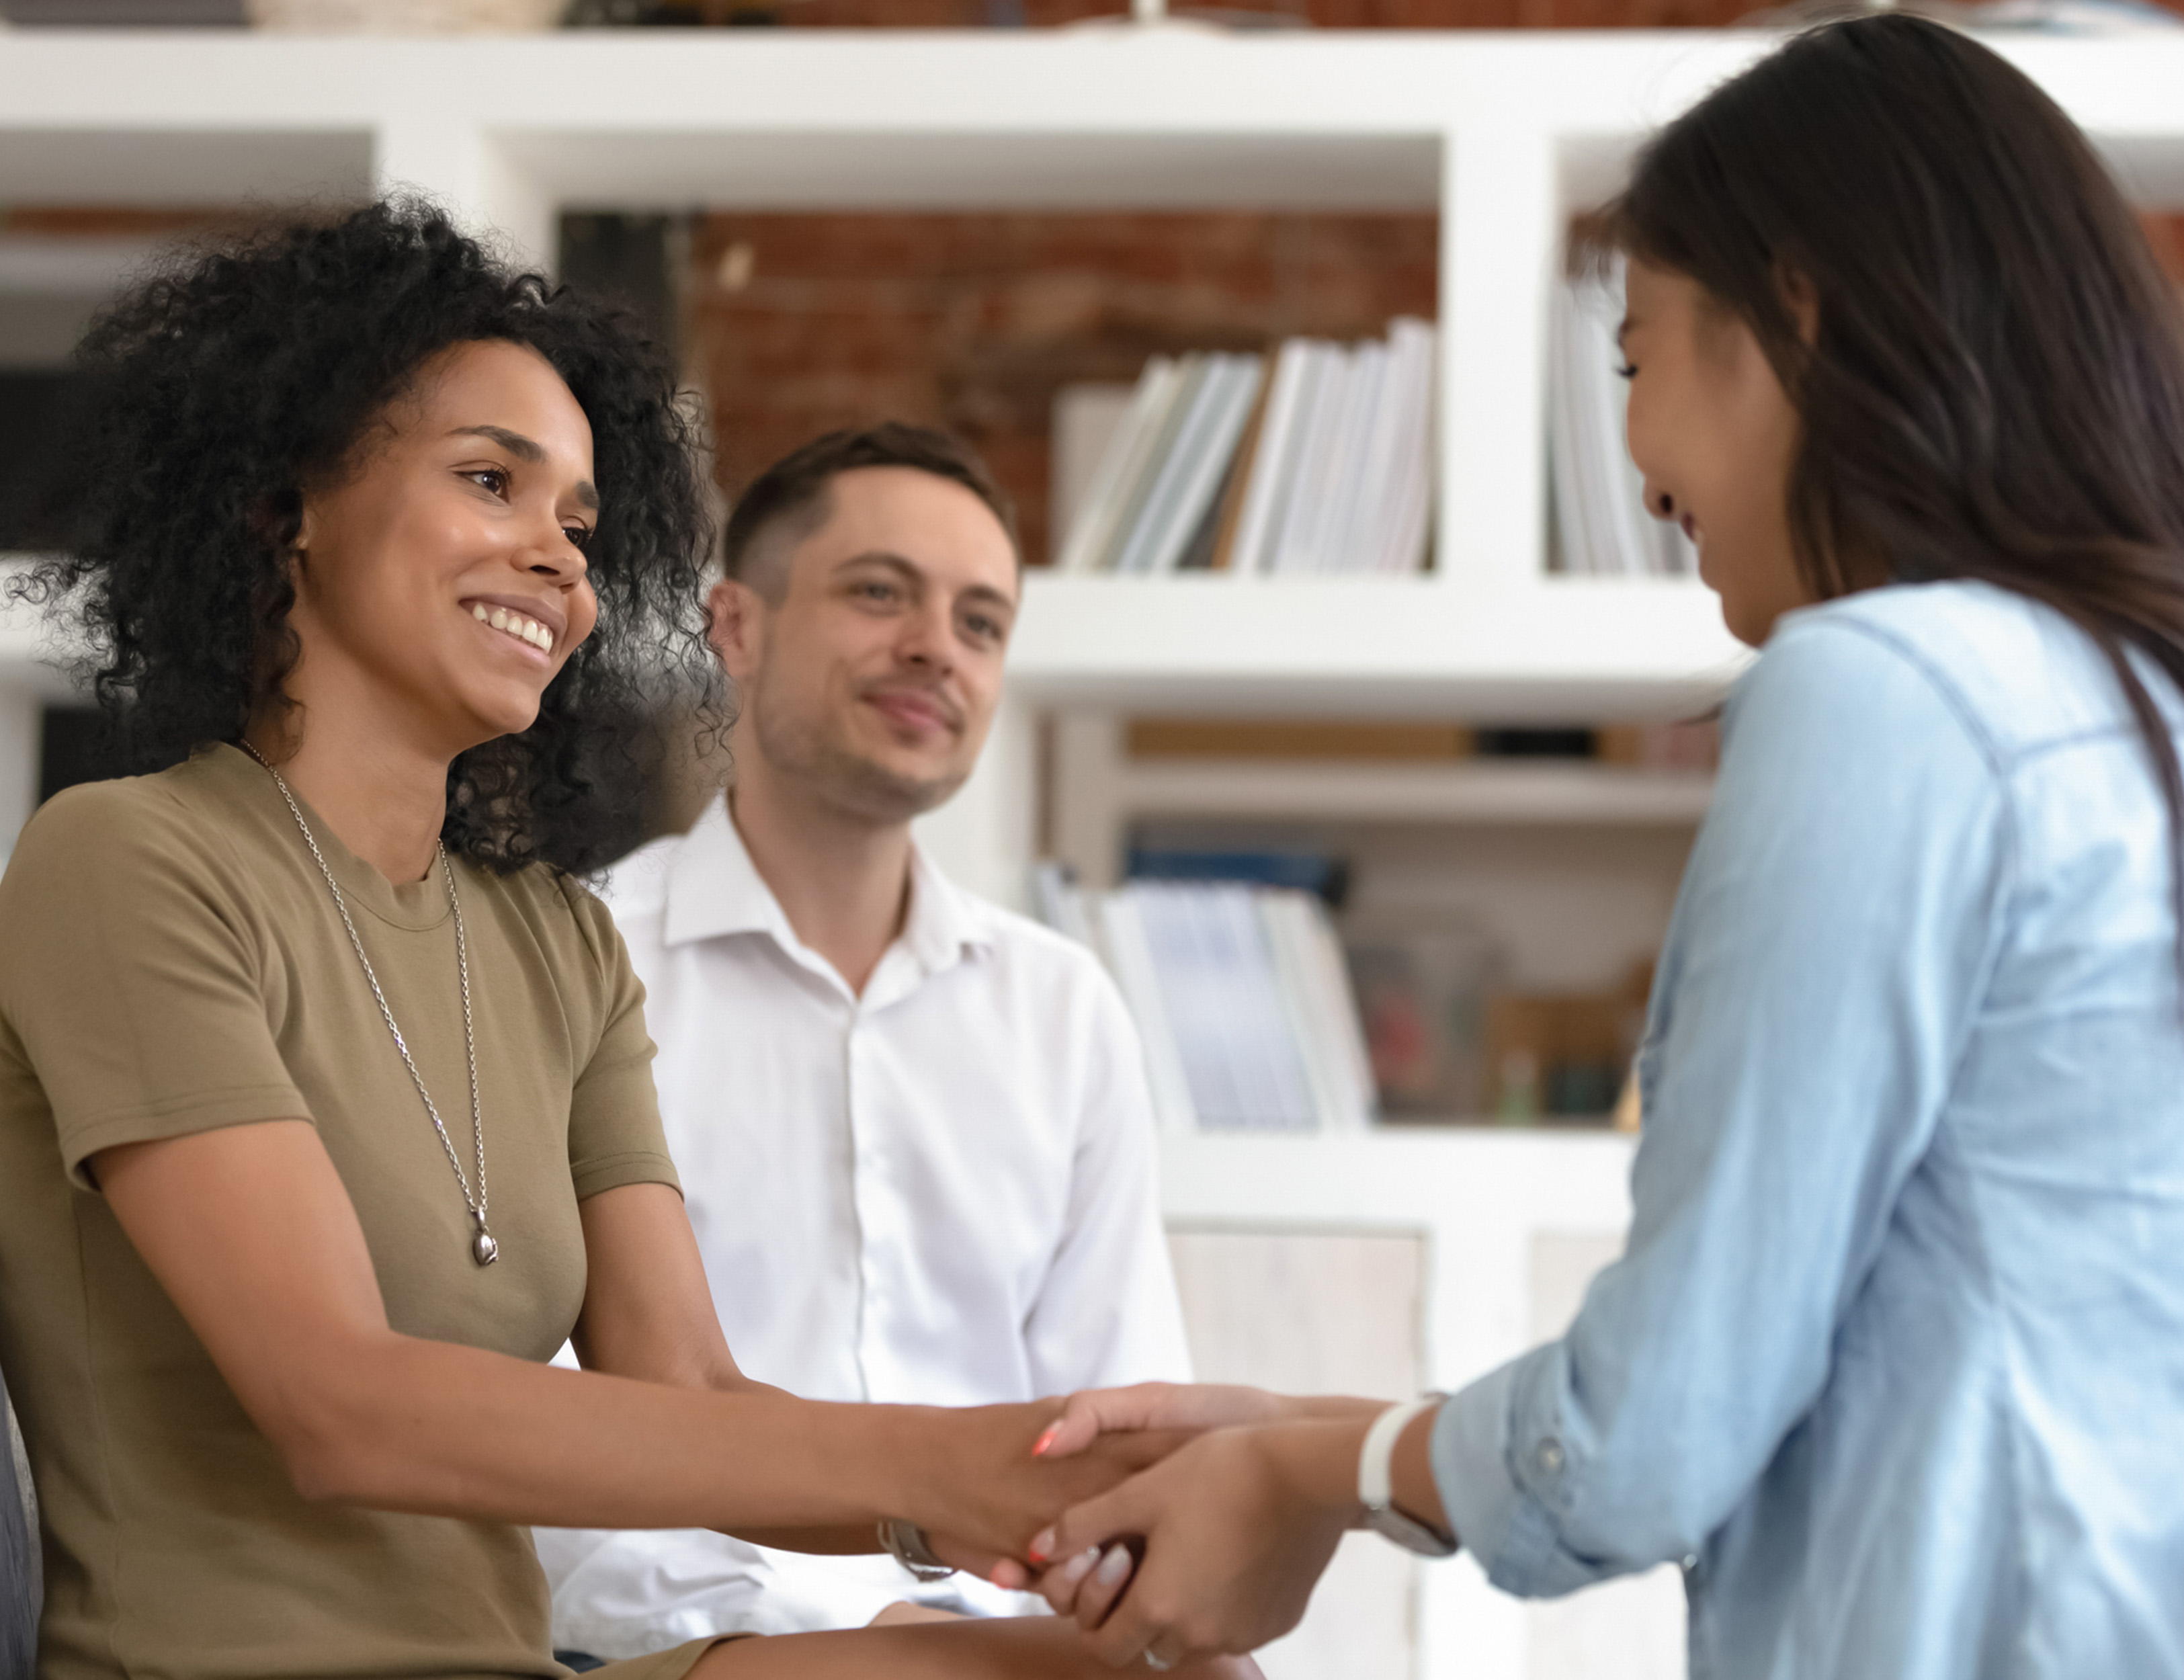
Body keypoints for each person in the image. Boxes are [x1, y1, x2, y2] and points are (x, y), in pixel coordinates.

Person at [1019, 17, 2184, 1677]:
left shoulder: (1888, 691)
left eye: (1633, 361)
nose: (1636, 474)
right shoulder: (2126, 699)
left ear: (1793, 310)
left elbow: (1651, 1437)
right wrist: (1328, 1439)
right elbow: (1869, 1355)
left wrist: (1312, 1470)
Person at [0, 199, 1250, 1680]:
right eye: (490, 483)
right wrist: (935, 1468)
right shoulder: (128, 858)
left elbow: (695, 1389)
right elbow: (340, 1405)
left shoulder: (557, 943)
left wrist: (1011, 1526)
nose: (558, 562)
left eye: (582, 527)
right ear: (288, 507)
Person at [536, 425, 1193, 1655]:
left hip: (1016, 1652)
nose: (934, 648)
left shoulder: (1063, 1009)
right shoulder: (580, 964)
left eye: (981, 622)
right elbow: (542, 1446)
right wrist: (865, 1635)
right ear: (734, 627)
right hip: (686, 1651)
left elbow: (1116, 1428)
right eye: (879, 592)